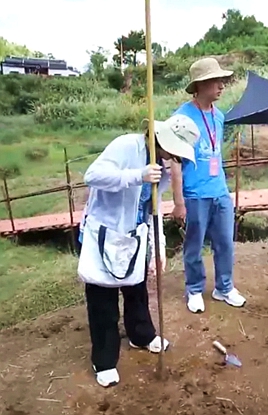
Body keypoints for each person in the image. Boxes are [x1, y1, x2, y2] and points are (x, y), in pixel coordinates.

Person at [78, 114, 200, 387]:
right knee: (103, 299)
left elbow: (151, 209)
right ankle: (105, 360)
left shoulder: (164, 168)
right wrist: (137, 176)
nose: (176, 158)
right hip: (105, 230)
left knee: (137, 290)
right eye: (175, 151)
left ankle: (141, 335)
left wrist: (159, 246)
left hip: (136, 234)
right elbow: (93, 176)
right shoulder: (126, 146)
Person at [170, 57, 247, 314]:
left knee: (225, 242)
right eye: (216, 81)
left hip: (219, 191)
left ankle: (224, 287)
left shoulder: (219, 116)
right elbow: (175, 161)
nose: (222, 86)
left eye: (222, 81)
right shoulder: (181, 118)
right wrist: (179, 201)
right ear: (200, 85)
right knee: (194, 244)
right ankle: (194, 288)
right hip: (194, 194)